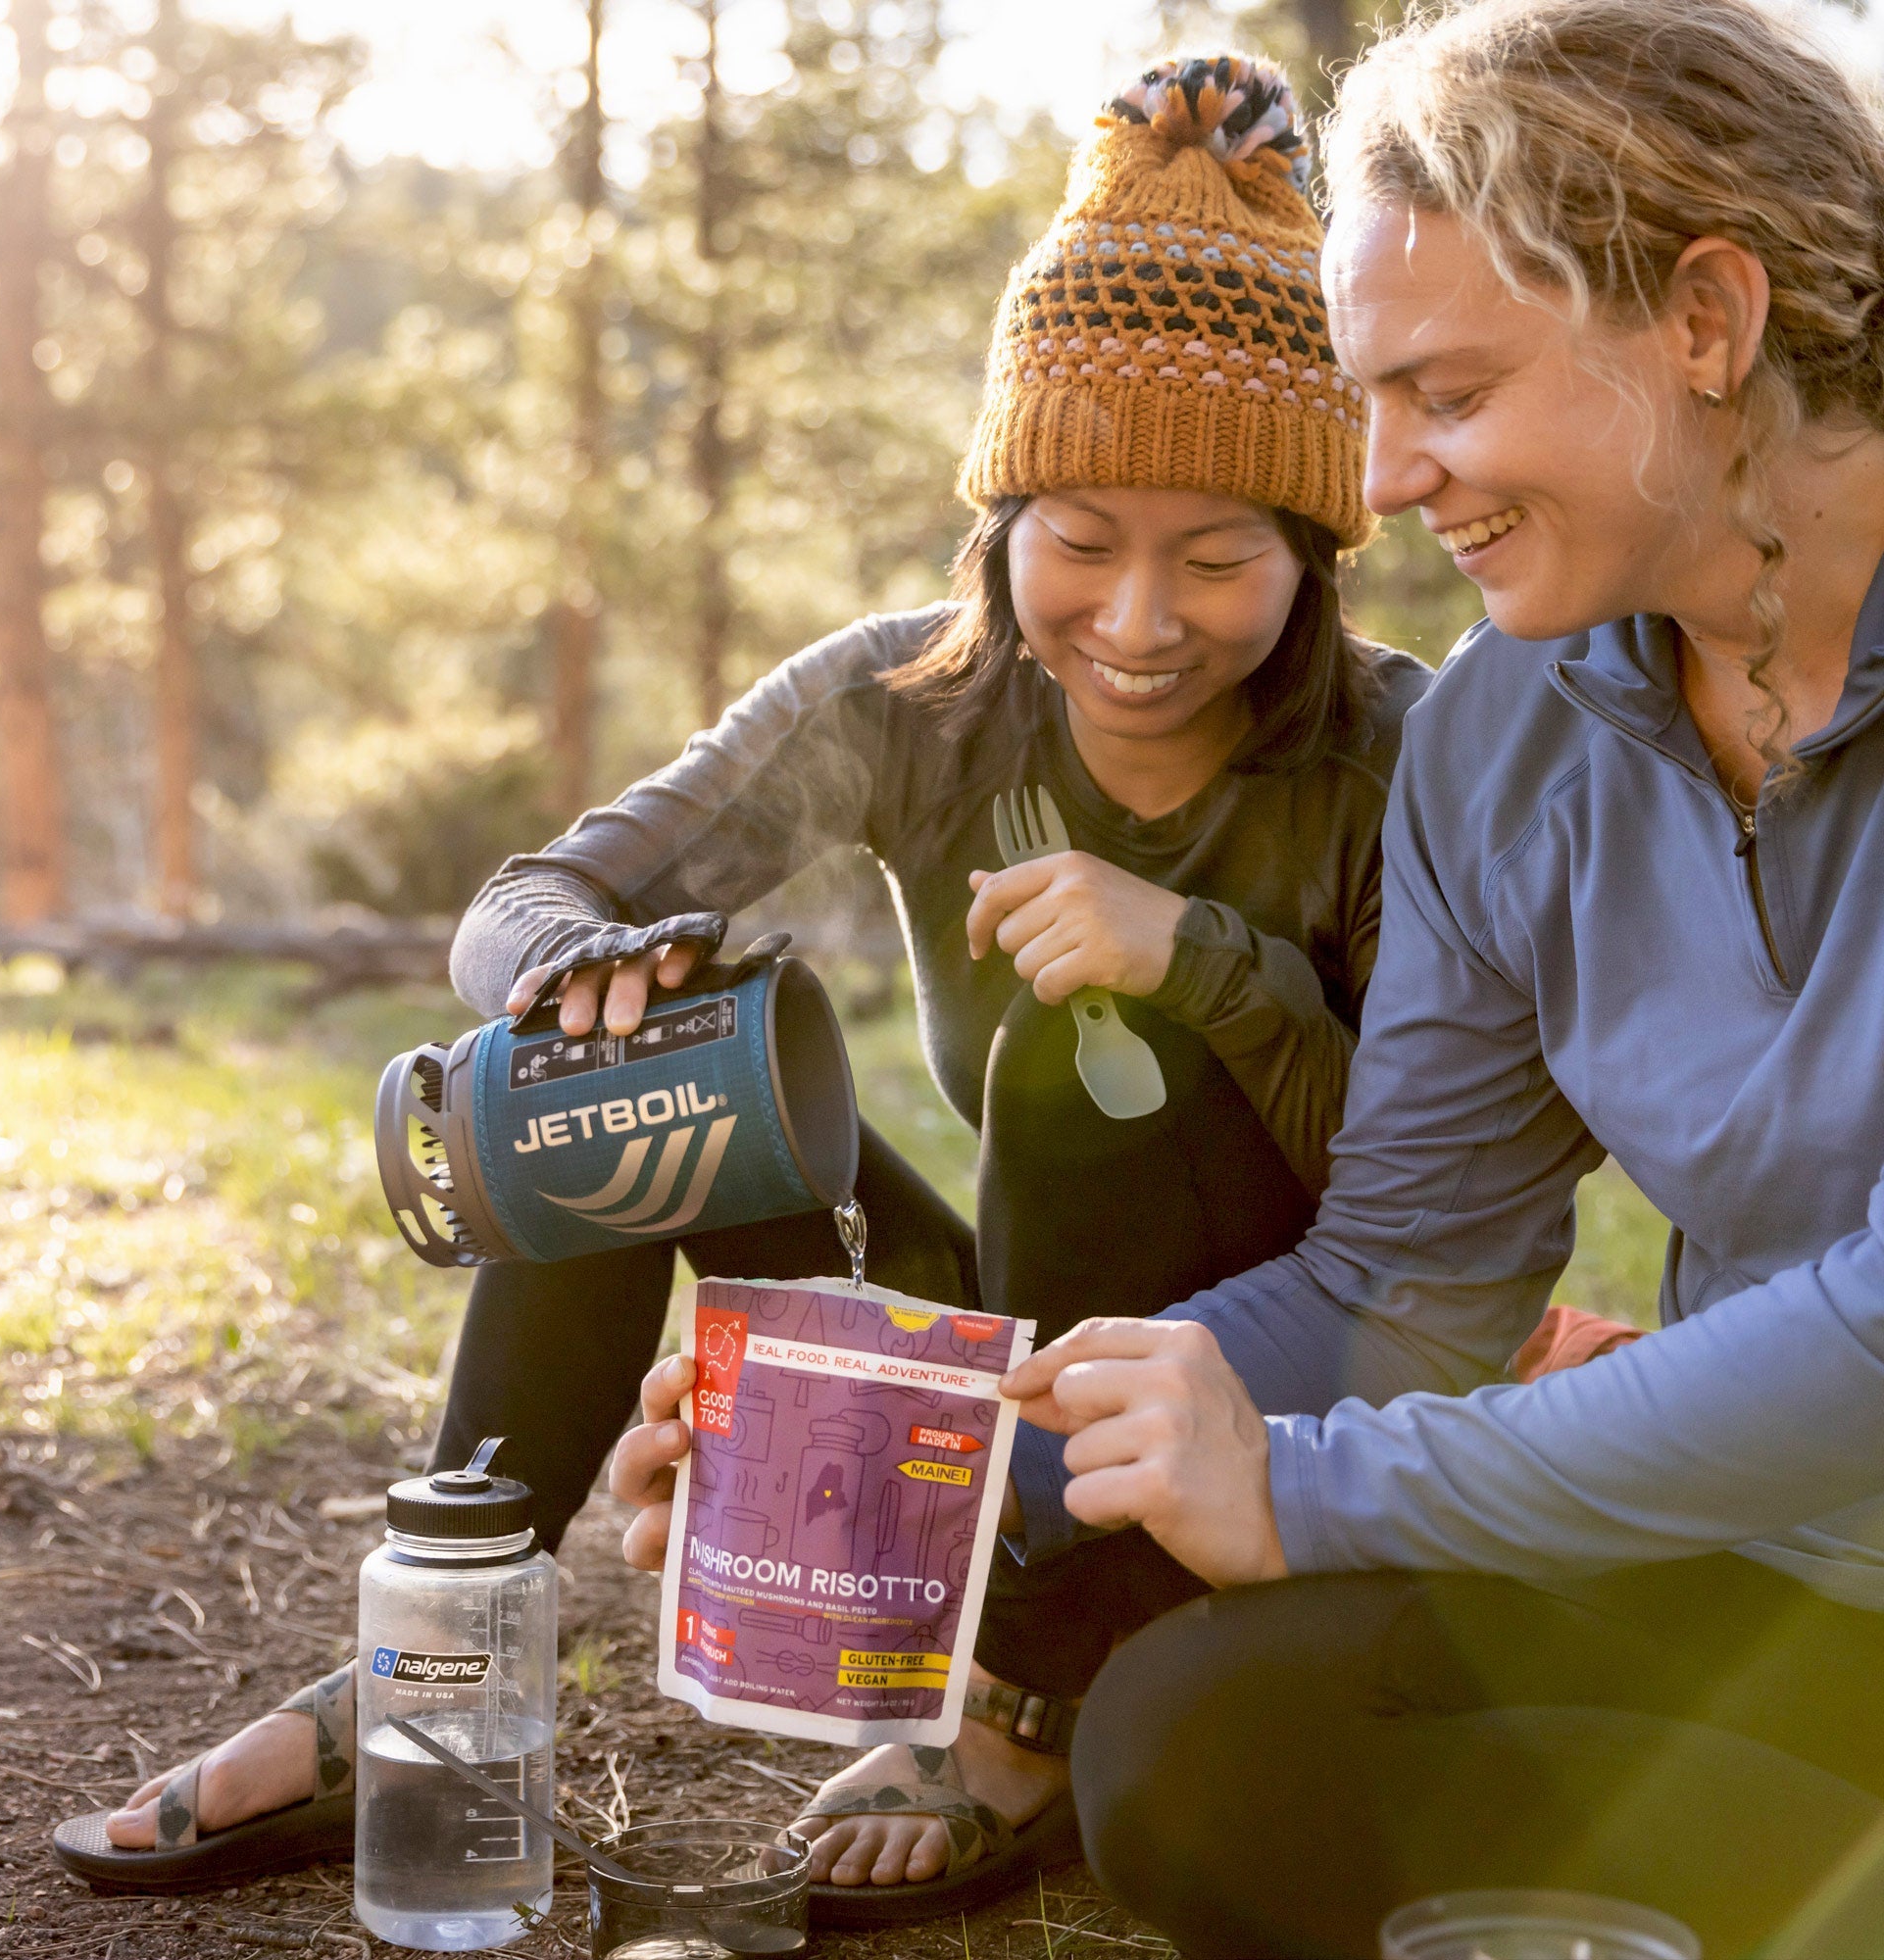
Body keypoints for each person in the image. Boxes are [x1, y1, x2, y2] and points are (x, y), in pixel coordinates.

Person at [56, 54, 1432, 1912]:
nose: (1134, 623)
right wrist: (592, 979)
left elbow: (1426, 1202)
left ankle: (1023, 1704)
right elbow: (528, 897)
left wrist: (1208, 960)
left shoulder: (1400, 757)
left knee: (1098, 1057)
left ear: (1316, 556)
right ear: (1002, 519)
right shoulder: (912, 699)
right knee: (621, 1074)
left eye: (1217, 560)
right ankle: (432, 1665)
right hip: (997, 1343)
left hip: (1268, 1381)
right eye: (1080, 543)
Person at [616, 0, 1884, 1951]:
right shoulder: (1503, 736)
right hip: (1775, 1574)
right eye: (1367, 399)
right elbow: (1403, 1277)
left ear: (1704, 323)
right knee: (1192, 1755)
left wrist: (1318, 1490)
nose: (1377, 483)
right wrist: (919, 1473)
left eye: (1444, 391)